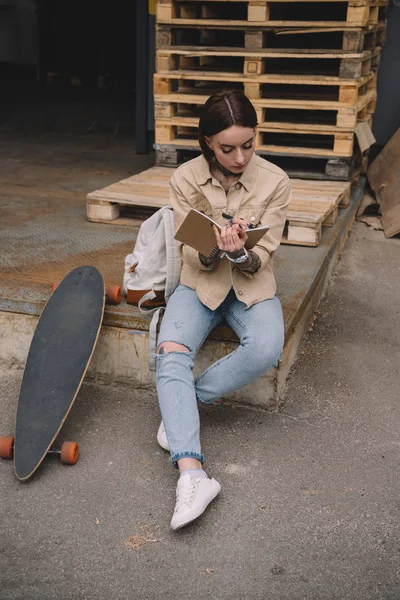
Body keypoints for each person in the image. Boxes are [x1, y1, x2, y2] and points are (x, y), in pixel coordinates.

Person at [155, 90, 291, 530]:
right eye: (228, 148)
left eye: (248, 145)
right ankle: (192, 475)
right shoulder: (185, 179)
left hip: (251, 285)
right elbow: (192, 252)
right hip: (201, 283)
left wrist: (241, 255)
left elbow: (264, 254)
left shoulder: (276, 181)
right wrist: (215, 249)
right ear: (208, 142)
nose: (240, 157)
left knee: (267, 345)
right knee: (170, 351)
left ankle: (184, 406)